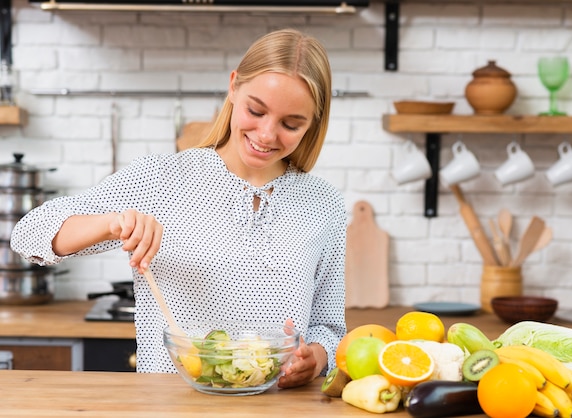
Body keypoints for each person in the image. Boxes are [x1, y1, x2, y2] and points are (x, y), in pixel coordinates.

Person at [10, 28, 347, 389]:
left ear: (313, 123)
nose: (266, 134)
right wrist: (114, 223)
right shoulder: (161, 179)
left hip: (280, 409)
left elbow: (328, 327)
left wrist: (314, 361)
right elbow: (29, 235)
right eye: (255, 110)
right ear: (233, 86)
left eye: (290, 124)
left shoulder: (324, 203)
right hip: (169, 406)